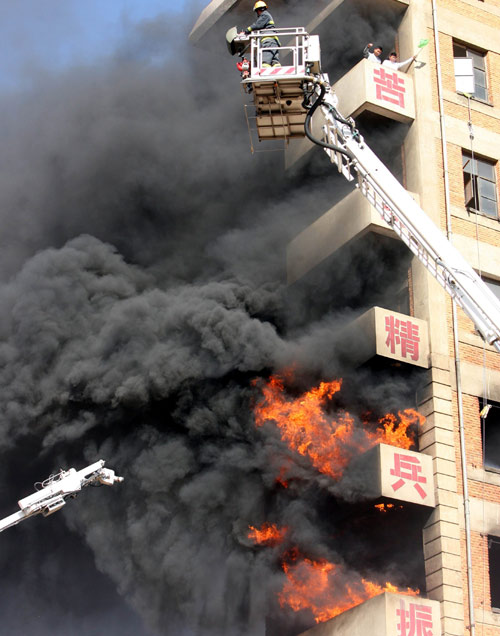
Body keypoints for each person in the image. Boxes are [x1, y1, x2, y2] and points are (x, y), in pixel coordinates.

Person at [244, 1, 281, 68]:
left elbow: (257, 25)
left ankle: (265, 74)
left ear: (258, 10)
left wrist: (247, 31)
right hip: (274, 41)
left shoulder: (264, 15)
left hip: (268, 41)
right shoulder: (267, 16)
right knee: (275, 62)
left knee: (265, 62)